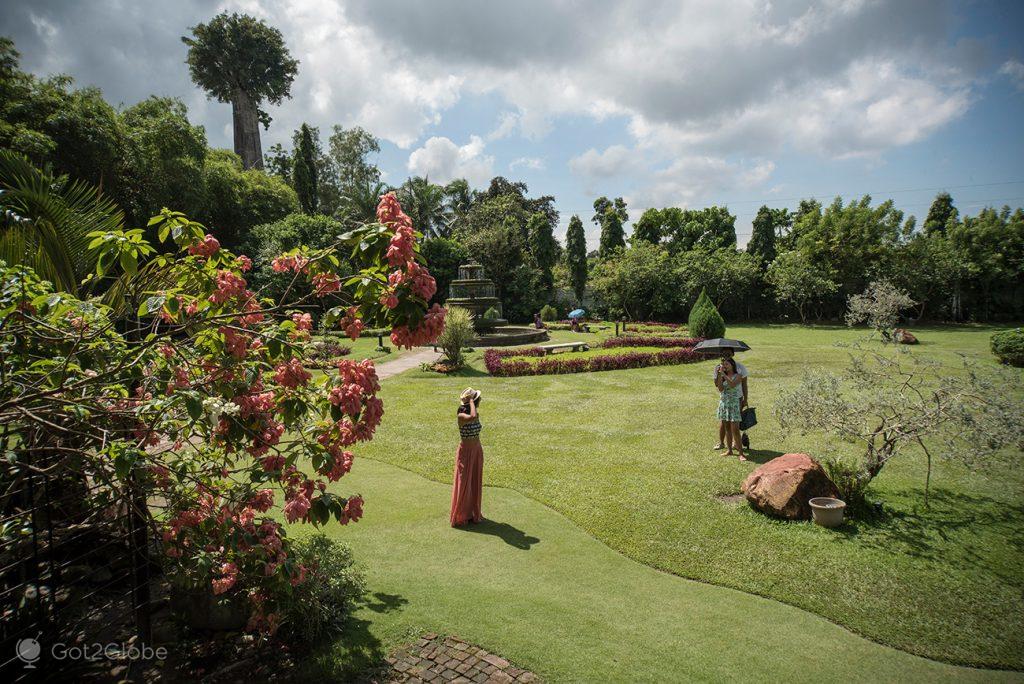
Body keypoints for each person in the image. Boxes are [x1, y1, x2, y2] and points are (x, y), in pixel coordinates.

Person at [451, 387, 484, 527]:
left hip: (476, 450)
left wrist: (471, 404)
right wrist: (471, 402)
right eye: (478, 399)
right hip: (466, 452)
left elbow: (475, 417)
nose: (480, 400)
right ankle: (461, 514)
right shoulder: (461, 416)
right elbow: (472, 417)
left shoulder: (474, 412)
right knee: (464, 482)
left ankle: (472, 512)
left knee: (474, 480)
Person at [712, 348, 749, 450]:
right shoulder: (718, 368)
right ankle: (721, 443)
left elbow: (744, 384)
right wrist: (719, 373)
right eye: (724, 353)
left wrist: (745, 399)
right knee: (723, 422)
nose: (726, 354)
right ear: (721, 355)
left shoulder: (740, 367)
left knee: (734, 423)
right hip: (725, 399)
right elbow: (717, 385)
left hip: (737, 398)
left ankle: (735, 443)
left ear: (733, 354)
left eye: (728, 352)